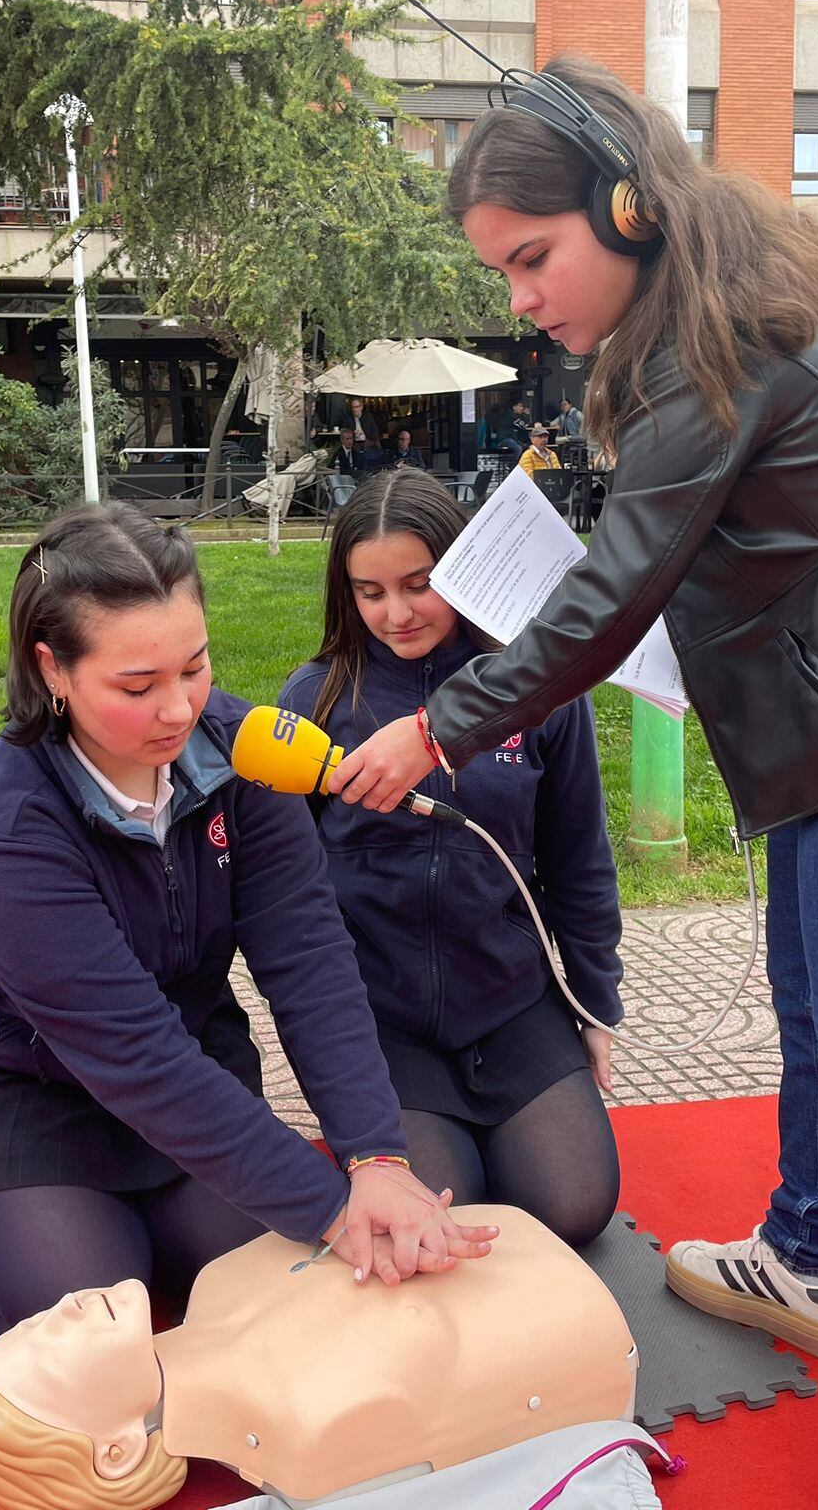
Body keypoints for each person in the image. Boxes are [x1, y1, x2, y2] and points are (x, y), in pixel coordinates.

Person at [326, 55, 818, 1510]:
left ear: (628, 205)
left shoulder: (717, 347)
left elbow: (610, 594)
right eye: (504, 272)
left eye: (534, 259)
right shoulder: (729, 295)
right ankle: (811, 1258)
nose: (524, 299)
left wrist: (436, 729)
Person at [0, 503, 495, 1336]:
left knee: (259, 1273)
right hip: (3, 1086)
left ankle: (134, 1207)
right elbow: (130, 1053)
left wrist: (374, 1158)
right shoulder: (7, 834)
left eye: (194, 668)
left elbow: (308, 961)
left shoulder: (247, 753)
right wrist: (336, 1210)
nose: (180, 710)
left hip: (180, 1057)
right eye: (138, 685)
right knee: (96, 1307)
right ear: (52, 668)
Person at [280, 470, 623, 1248]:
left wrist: (595, 1005)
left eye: (419, 584)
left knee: (574, 1207)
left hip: (510, 1002)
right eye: (370, 592)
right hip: (382, 1019)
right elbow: (283, 895)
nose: (395, 614)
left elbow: (580, 861)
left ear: (464, 568)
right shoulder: (317, 700)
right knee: (442, 1212)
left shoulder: (539, 691)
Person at [0, 1203, 648, 1510]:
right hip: (566, 1323)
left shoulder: (216, 1283)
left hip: (512, 1258)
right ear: (120, 1453)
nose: (56, 1314)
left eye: (27, 1327)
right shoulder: (306, 1433)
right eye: (46, 1355)